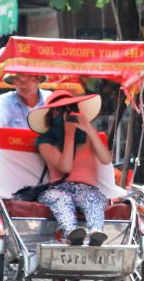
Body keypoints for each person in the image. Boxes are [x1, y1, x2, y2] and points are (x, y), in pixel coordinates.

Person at [29, 90, 113, 246]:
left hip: (87, 189)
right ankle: (72, 233)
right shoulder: (44, 141)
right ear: (52, 114)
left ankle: (96, 232)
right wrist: (69, 134)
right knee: (62, 199)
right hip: (58, 189)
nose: (66, 115)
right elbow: (65, 167)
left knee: (91, 198)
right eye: (61, 111)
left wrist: (88, 129)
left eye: (71, 109)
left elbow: (106, 159)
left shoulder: (88, 137)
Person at [0, 73, 49, 145]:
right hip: (15, 151)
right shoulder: (5, 101)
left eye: (28, 79)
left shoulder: (50, 100)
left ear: (38, 79)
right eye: (17, 79)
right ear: (13, 82)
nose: (23, 85)